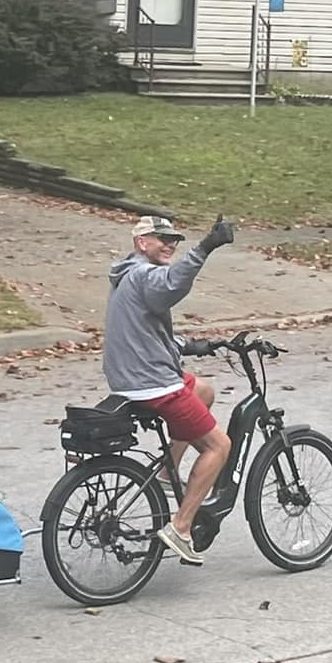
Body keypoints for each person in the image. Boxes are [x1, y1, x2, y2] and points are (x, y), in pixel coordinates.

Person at [102, 212, 236, 565]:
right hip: (151, 382)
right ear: (140, 242)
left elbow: (143, 331)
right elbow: (171, 285)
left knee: (203, 391)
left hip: (132, 375)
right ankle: (181, 526)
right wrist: (206, 246)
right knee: (220, 446)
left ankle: (165, 473)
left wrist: (187, 345)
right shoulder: (146, 276)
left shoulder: (127, 274)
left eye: (174, 239)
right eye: (162, 239)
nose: (170, 245)